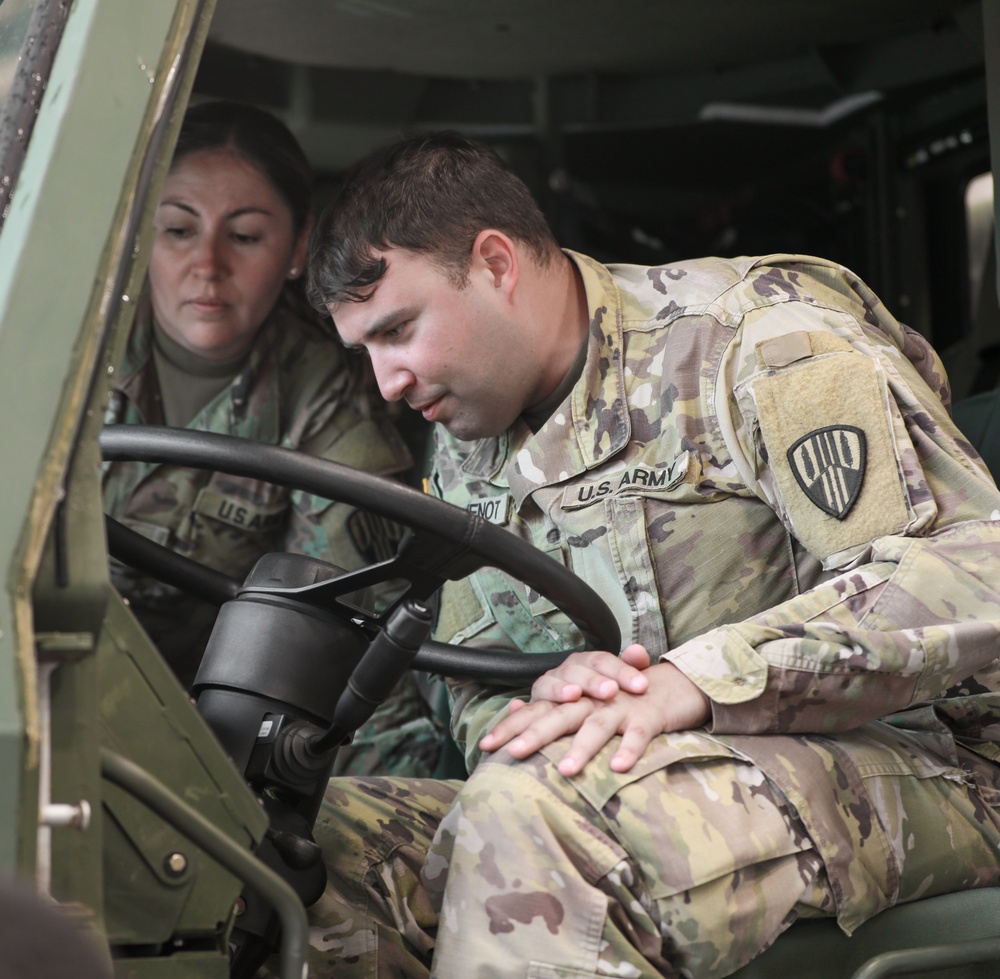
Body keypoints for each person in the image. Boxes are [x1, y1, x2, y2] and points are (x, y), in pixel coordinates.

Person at [300, 130, 1000, 979]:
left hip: (939, 759)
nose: (387, 385)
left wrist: (695, 681)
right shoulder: (469, 437)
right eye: (365, 351)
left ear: (494, 263)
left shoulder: (757, 339)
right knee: (310, 843)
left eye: (398, 330)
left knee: (541, 813)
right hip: (654, 775)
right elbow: (477, 684)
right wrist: (557, 701)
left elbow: (972, 570)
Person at [102, 102, 443, 779]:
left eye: (246, 237)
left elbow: (352, 639)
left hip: (199, 737)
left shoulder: (327, 402)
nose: (207, 264)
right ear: (140, 236)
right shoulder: (59, 350)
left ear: (294, 251)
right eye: (177, 229)